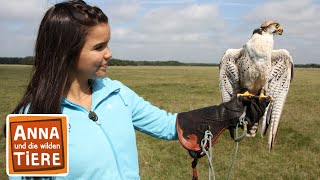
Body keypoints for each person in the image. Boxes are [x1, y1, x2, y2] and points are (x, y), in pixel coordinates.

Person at [7, 1, 269, 179]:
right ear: (65, 52)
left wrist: (223, 113)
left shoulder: (116, 93)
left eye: (107, 44)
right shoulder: (38, 116)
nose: (109, 53)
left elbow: (169, 125)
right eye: (98, 47)